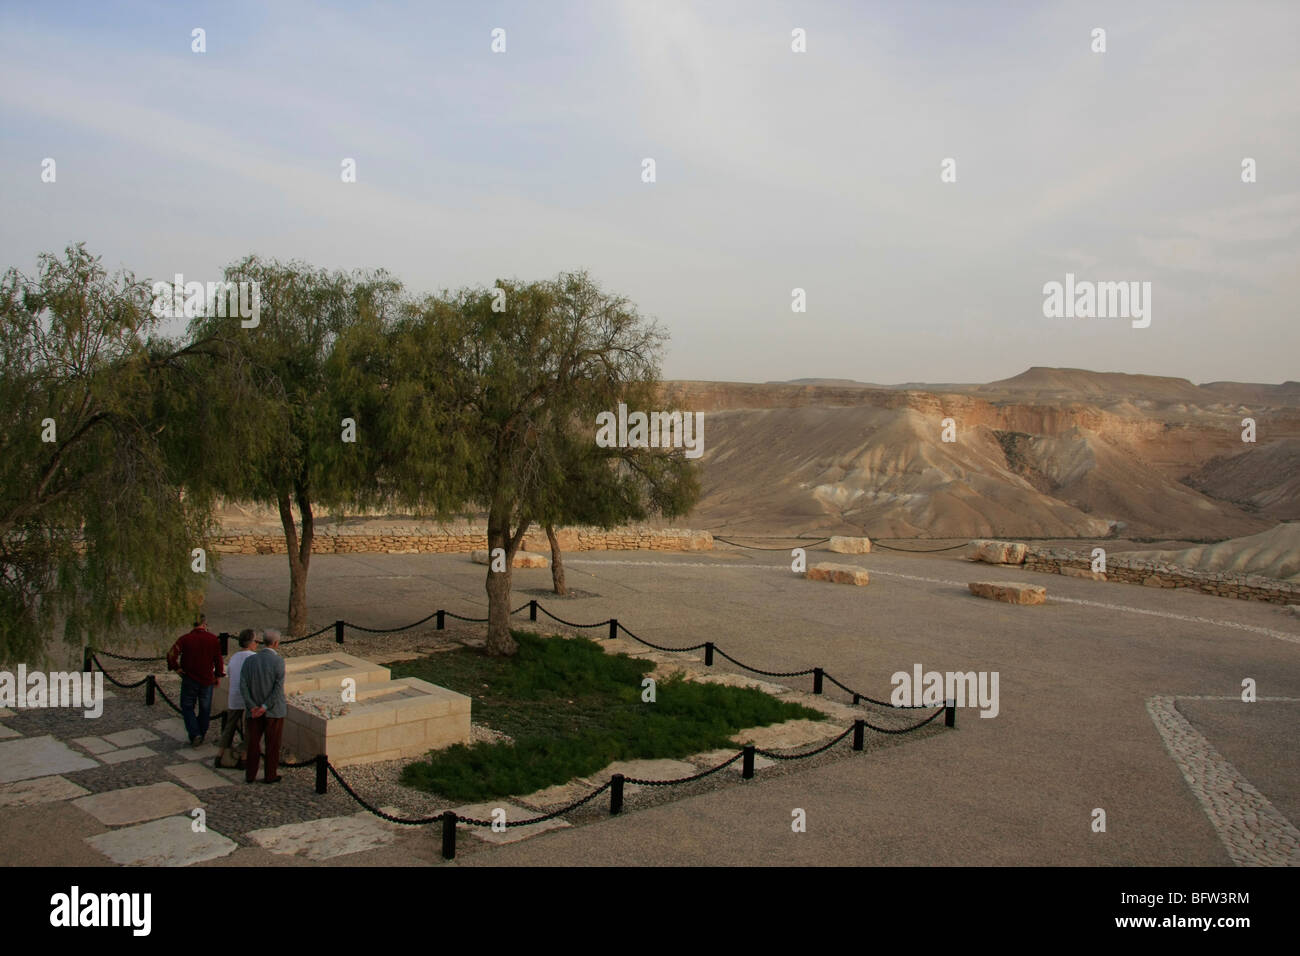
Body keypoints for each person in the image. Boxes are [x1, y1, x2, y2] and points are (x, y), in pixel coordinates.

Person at [166, 614, 224, 747]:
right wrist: (218, 675)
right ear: (204, 624)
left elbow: (171, 655)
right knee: (205, 708)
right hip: (207, 679)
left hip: (190, 678)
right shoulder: (213, 639)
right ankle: (201, 733)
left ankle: (194, 732)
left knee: (187, 706)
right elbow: (218, 659)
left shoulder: (185, 639)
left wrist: (177, 668)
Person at [240, 628, 286, 784]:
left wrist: (252, 705)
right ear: (276, 643)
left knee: (253, 743)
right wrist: (265, 706)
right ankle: (270, 774)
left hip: (253, 710)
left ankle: (250, 774)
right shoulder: (278, 661)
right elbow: (277, 688)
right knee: (272, 745)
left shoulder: (250, 661)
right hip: (273, 711)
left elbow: (243, 685)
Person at [214, 629, 258, 769]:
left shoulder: (234, 657)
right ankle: (244, 758)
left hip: (234, 696)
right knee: (249, 728)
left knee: (230, 727)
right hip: (248, 698)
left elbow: (230, 673)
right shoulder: (253, 658)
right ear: (251, 642)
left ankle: (220, 754)